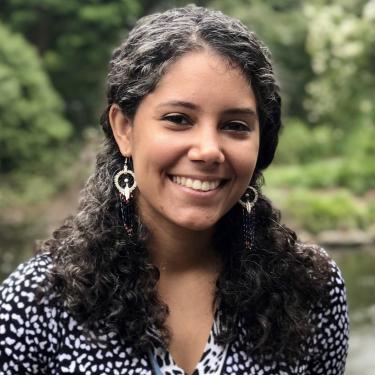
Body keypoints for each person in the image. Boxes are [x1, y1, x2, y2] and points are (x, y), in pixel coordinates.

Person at [0, 5, 348, 375]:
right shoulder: (37, 302)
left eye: (235, 125)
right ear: (124, 129)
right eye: (179, 119)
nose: (209, 150)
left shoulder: (310, 289)